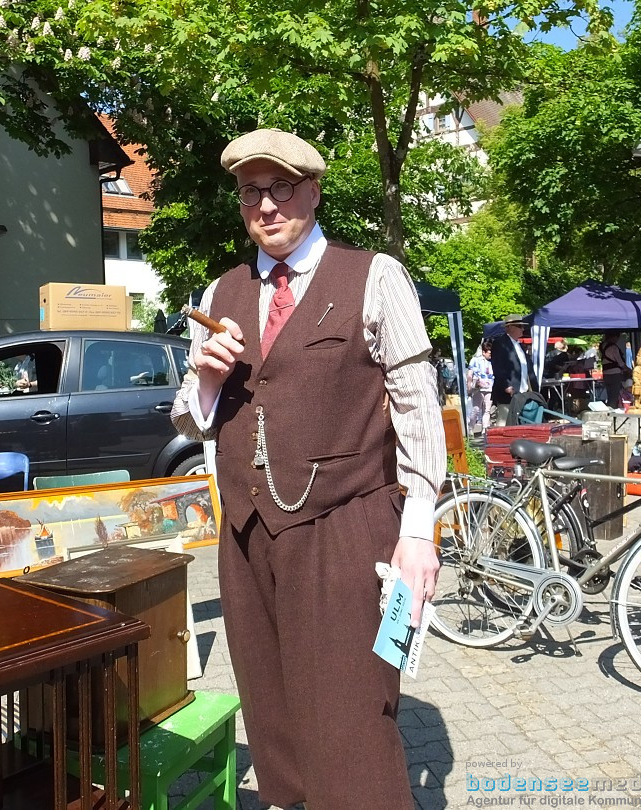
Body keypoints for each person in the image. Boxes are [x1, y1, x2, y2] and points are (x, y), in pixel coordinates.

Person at [170, 128, 444, 810]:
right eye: (250, 192)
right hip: (246, 532)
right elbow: (187, 416)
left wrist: (417, 532)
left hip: (345, 528)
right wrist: (204, 378)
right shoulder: (221, 290)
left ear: (314, 192)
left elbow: (417, 408)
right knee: (273, 712)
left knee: (349, 717)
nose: (265, 206)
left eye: (281, 188)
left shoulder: (374, 276)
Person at [491, 314, 531, 425]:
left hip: (522, 392)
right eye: (520, 326)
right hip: (508, 393)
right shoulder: (500, 343)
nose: (523, 329)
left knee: (520, 424)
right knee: (504, 423)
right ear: (511, 327)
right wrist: (506, 385)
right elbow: (497, 367)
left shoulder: (520, 345)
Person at [468, 340, 494, 435]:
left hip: (490, 388)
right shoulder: (475, 360)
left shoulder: (492, 362)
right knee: (476, 409)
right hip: (478, 388)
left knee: (487, 410)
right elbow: (470, 374)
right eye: (489, 353)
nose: (490, 355)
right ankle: (471, 427)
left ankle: (484, 429)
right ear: (483, 352)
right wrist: (469, 387)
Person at [600, 331, 630, 409]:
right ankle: (613, 410)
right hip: (615, 374)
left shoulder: (602, 346)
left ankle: (610, 408)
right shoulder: (613, 347)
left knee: (609, 394)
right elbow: (620, 362)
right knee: (614, 395)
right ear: (614, 337)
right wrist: (629, 370)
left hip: (606, 373)